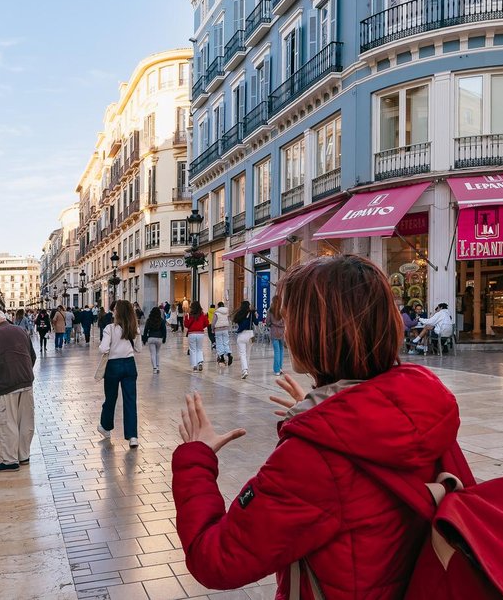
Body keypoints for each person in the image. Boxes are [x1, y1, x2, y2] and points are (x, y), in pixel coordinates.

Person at [172, 255, 466, 598]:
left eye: (292, 318)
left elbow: (216, 559)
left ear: (318, 331)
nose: (285, 329)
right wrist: (322, 410)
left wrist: (196, 459)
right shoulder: (420, 408)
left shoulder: (313, 457)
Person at [0, 309, 35, 472]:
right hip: (26, 382)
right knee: (25, 421)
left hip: (5, 385)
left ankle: (10, 460)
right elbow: (32, 356)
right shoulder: (20, 331)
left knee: (7, 422)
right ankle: (23, 456)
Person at [98, 300, 139, 448]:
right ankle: (132, 436)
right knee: (130, 400)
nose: (113, 312)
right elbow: (139, 348)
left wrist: (109, 347)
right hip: (129, 365)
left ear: (119, 312)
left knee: (111, 398)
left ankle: (105, 426)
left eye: (115, 309)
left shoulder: (110, 328)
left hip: (113, 366)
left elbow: (103, 349)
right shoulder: (133, 327)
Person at [233, 302, 258, 379]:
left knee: (242, 353)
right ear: (248, 306)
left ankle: (244, 370)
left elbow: (235, 321)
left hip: (241, 335)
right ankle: (246, 369)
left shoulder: (239, 313)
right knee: (248, 353)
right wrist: (256, 316)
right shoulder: (251, 314)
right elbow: (256, 323)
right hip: (250, 334)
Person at [184, 301, 210, 371]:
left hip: (191, 333)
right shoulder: (203, 314)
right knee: (199, 349)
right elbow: (207, 323)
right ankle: (200, 363)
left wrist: (186, 317)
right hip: (200, 333)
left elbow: (186, 325)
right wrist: (201, 327)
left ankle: (195, 366)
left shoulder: (189, 315)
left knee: (193, 350)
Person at [141, 306, 167, 374]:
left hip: (151, 338)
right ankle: (158, 366)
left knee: (153, 353)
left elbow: (145, 330)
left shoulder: (149, 320)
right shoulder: (161, 320)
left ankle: (154, 368)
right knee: (157, 353)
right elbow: (164, 330)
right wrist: (164, 338)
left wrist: (144, 339)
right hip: (159, 338)